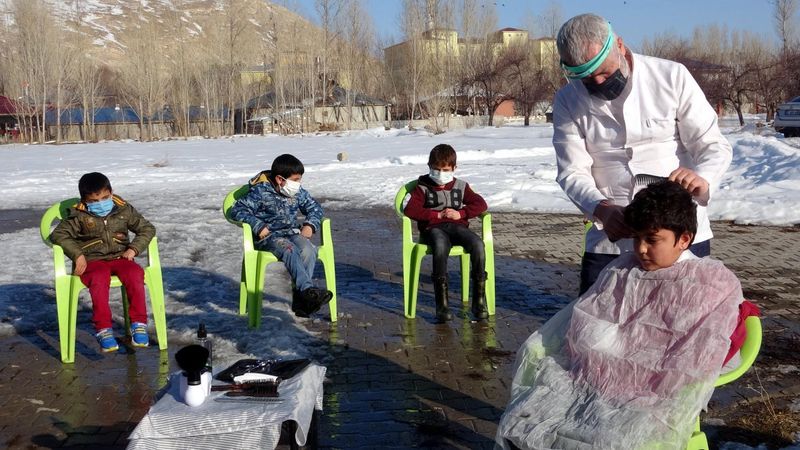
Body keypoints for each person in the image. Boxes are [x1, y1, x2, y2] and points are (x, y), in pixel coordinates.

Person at [495, 180, 744, 449]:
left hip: (656, 393)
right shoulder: (624, 268)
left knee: (605, 437)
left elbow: (701, 353)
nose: (641, 249)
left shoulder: (710, 282)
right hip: (596, 376)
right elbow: (588, 318)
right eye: (636, 238)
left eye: (652, 240)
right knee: (530, 417)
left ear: (684, 238)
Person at [552, 13, 733, 295]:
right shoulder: (567, 100)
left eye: (605, 72)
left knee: (682, 322)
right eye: (588, 79)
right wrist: (601, 209)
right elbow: (571, 171)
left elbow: (713, 144)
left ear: (620, 45)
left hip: (675, 238)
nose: (599, 82)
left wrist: (703, 177)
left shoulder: (672, 77)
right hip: (609, 240)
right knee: (596, 326)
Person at [51, 172, 156, 352]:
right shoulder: (79, 215)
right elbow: (59, 234)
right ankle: (103, 329)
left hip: (120, 257)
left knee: (135, 273)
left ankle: (138, 323)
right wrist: (77, 255)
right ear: (85, 200)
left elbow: (147, 228)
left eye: (105, 198)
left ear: (111, 192)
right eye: (94, 201)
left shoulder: (124, 209)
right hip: (93, 261)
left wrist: (134, 249)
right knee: (99, 278)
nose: (101, 204)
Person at [230, 154, 333, 318]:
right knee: (290, 250)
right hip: (268, 237)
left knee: (309, 250)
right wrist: (258, 226)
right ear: (280, 179)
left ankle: (302, 303)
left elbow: (315, 208)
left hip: (291, 233)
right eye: (296, 179)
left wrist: (310, 225)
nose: (298, 184)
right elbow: (237, 210)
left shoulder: (297, 193)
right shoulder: (260, 191)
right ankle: (307, 292)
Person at [403, 144, 489, 323]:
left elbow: (480, 204)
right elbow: (410, 209)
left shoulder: (461, 186)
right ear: (429, 167)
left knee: (478, 245)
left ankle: (478, 301)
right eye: (436, 169)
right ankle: (441, 304)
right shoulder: (422, 187)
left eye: (445, 170)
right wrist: (435, 215)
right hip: (433, 230)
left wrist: (461, 213)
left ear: (453, 169)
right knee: (441, 246)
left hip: (458, 228)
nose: (440, 174)